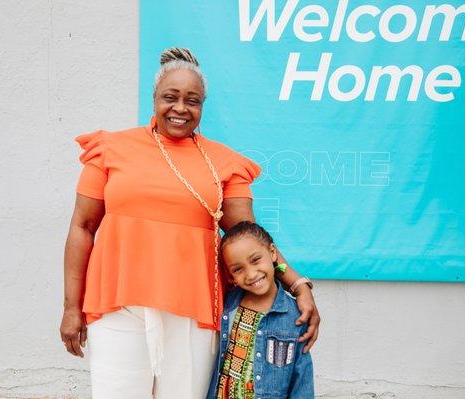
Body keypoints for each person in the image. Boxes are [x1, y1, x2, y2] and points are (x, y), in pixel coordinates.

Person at [59, 47, 320, 399]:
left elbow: (249, 240)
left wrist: (298, 284)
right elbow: (82, 228)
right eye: (171, 97)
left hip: (193, 310)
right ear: (154, 98)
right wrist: (71, 308)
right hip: (117, 305)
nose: (180, 108)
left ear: (202, 106)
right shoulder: (110, 149)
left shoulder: (224, 163)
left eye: (192, 100)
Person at [206, 221, 313, 399]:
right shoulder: (228, 305)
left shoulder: (295, 316)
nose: (251, 274)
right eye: (238, 269)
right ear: (231, 276)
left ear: (272, 253)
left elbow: (302, 377)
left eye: (255, 260)